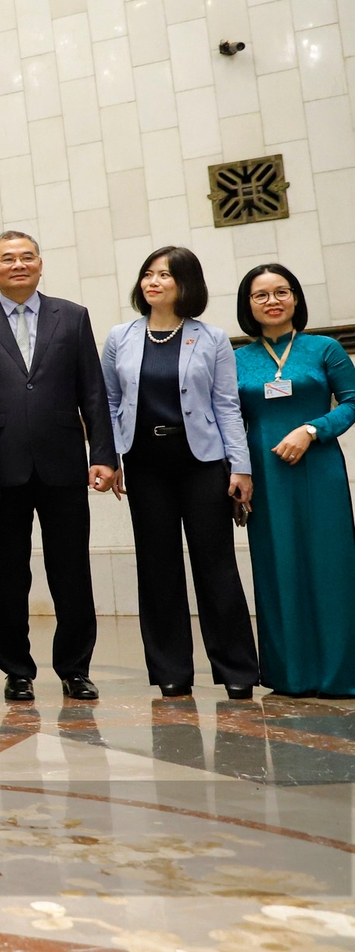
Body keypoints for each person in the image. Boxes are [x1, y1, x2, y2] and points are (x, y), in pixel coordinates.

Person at [0, 231, 114, 702]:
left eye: (27, 258)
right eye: (7, 259)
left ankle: (75, 667)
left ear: (41, 264)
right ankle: (16, 670)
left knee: (71, 570)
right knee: (5, 574)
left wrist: (102, 454)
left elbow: (94, 392)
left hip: (63, 464)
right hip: (0, 469)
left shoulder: (73, 316)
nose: (17, 265)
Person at [101, 247, 257, 698]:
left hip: (202, 463)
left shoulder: (211, 338)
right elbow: (109, 403)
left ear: (185, 284)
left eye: (164, 275)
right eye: (147, 273)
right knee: (157, 567)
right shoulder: (120, 337)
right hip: (145, 463)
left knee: (217, 566)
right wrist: (111, 459)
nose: (153, 282)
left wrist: (240, 467)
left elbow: (227, 406)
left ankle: (237, 671)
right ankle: (171, 670)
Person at [233, 264, 355, 697]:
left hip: (320, 469)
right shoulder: (235, 359)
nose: (272, 301)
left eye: (281, 292)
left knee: (332, 564)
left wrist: (312, 429)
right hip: (264, 476)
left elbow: (353, 402)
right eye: (260, 295)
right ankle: (290, 675)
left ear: (296, 298)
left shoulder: (324, 348)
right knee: (276, 566)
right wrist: (237, 470)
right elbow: (229, 419)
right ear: (248, 305)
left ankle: (340, 673)